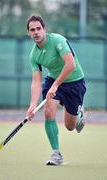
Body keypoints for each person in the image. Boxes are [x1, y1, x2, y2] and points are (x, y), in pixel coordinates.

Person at [26, 15, 86, 166]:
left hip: (74, 81)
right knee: (48, 111)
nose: (36, 32)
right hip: (53, 80)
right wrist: (33, 104)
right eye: (32, 30)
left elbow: (71, 64)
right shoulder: (34, 55)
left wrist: (56, 85)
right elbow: (36, 80)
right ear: (29, 33)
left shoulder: (58, 40)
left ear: (44, 29)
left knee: (70, 126)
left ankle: (79, 114)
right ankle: (56, 154)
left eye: (39, 28)